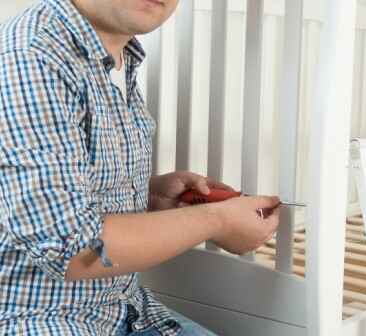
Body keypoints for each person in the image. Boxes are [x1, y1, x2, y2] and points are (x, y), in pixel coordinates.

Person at [0, 0, 281, 335]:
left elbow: (54, 191)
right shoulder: (32, 56)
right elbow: (73, 247)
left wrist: (147, 195)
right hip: (39, 321)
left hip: (122, 310)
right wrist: (216, 221)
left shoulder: (115, 58)